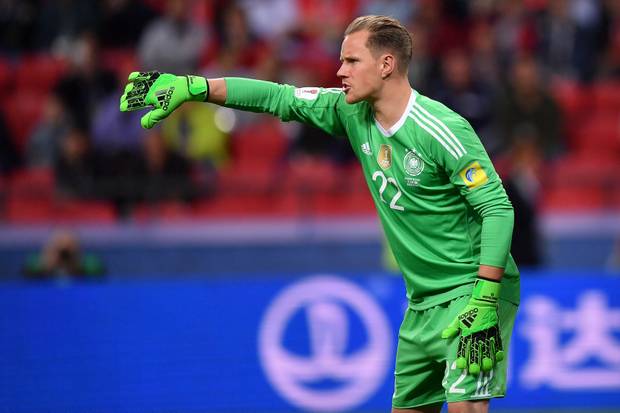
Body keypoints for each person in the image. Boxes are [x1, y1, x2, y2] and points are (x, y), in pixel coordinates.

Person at [119, 15, 520, 413]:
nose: (340, 70)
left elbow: (498, 208)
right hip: (421, 302)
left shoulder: (440, 128)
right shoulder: (351, 112)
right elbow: (278, 98)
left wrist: (485, 299)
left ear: (386, 64)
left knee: (467, 408)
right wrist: (196, 87)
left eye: (352, 61)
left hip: (472, 291)